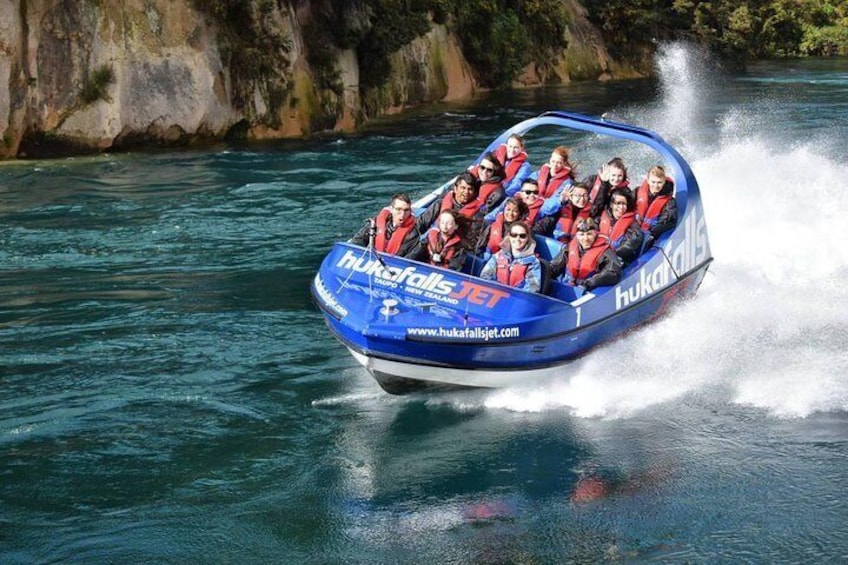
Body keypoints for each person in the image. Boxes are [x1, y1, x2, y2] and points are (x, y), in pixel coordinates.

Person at [551, 218, 621, 291]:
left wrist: (589, 283)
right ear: (577, 236)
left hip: (590, 290)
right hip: (568, 286)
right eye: (581, 235)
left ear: (595, 234)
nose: (585, 238)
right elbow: (555, 265)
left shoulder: (606, 252)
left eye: (589, 234)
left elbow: (613, 272)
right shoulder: (569, 248)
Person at [416, 172, 485, 241]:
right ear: (455, 189)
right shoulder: (440, 204)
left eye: (470, 189)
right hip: (435, 241)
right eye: (463, 188)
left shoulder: (478, 212)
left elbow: (474, 236)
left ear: (474, 192)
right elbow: (422, 223)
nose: (466, 192)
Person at [349, 192, 422, 257]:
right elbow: (357, 241)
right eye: (398, 209)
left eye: (406, 210)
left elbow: (411, 257)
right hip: (373, 260)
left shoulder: (414, 231)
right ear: (392, 209)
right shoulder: (375, 223)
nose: (402, 215)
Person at [479, 220, 542, 293]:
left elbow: (532, 288)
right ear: (509, 236)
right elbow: (485, 277)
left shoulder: (533, 262)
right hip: (495, 297)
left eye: (522, 236)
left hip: (517, 300)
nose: (517, 239)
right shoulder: (497, 256)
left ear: (528, 238)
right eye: (514, 235)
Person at [599, 187, 644, 265]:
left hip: (617, 262)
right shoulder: (600, 219)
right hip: (598, 256)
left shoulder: (633, 227)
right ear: (611, 205)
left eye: (624, 204)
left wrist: (608, 258)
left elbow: (629, 245)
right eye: (618, 203)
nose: (621, 207)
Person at [635, 165, 678, 246]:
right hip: (634, 230)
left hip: (651, 235)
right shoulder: (637, 192)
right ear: (648, 180)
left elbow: (668, 221)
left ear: (664, 181)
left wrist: (652, 232)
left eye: (659, 182)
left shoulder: (669, 202)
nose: (656, 185)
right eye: (653, 182)